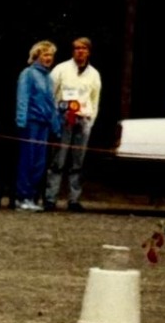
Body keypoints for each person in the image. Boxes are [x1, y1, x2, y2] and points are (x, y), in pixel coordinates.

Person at [45, 36, 102, 212]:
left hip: (83, 119)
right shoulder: (61, 69)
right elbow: (51, 94)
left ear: (89, 52)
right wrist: (56, 116)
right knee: (58, 160)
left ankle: (74, 199)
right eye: (77, 48)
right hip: (63, 118)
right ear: (73, 50)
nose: (80, 51)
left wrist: (90, 120)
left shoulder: (94, 74)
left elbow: (95, 99)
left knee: (78, 163)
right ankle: (50, 198)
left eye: (83, 48)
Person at [13, 40, 63, 212]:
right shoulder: (28, 74)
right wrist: (21, 120)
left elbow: (51, 104)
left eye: (51, 55)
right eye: (45, 54)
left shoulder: (49, 78)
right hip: (30, 123)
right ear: (37, 56)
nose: (48, 58)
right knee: (28, 160)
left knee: (40, 163)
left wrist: (56, 126)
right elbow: (23, 98)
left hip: (44, 125)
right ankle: (22, 197)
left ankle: (31, 196)